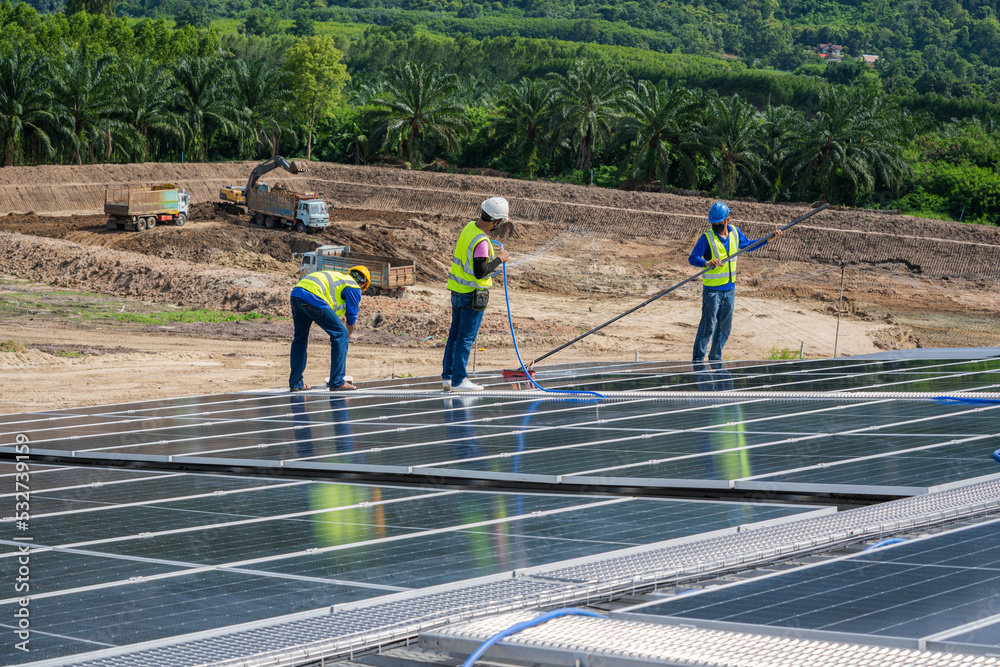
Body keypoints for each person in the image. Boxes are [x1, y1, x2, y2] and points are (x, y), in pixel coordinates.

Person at [689, 201, 783, 363]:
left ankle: (715, 358)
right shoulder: (706, 238)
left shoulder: (734, 233)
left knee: (724, 328)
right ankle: (698, 361)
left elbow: (748, 245)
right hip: (712, 291)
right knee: (708, 327)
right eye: (714, 223)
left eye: (719, 223)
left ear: (728, 220)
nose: (716, 225)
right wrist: (707, 262)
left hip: (729, 289)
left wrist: (769, 239)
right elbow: (693, 258)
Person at [442, 197, 511, 392]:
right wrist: (500, 259)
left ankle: (448, 378)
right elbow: (480, 271)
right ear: (496, 221)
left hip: (457, 291)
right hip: (471, 295)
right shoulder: (481, 240)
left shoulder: (469, 228)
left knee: (454, 336)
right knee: (465, 338)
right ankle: (459, 381)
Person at [289, 265, 371, 392]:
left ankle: (296, 382)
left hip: (297, 293)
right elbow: (351, 318)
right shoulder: (354, 287)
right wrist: (347, 337)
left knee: (300, 338)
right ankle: (337, 381)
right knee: (341, 334)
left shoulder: (341, 279)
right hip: (313, 295)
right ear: (363, 285)